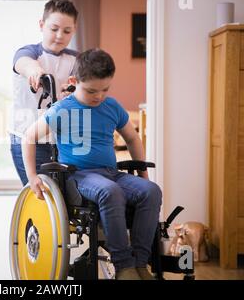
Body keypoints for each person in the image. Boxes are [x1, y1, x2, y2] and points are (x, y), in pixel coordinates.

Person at [21, 48, 162, 280]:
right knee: (110, 191)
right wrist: (32, 177)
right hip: (79, 177)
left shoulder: (112, 106)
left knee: (151, 191)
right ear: (74, 82)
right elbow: (28, 137)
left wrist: (142, 175)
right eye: (91, 90)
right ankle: (124, 266)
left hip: (111, 173)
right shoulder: (62, 110)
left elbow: (133, 138)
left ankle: (140, 264)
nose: (99, 96)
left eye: (105, 89)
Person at [10, 0, 78, 185]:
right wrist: (35, 71)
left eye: (66, 31)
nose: (59, 36)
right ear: (42, 25)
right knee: (39, 192)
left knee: (63, 198)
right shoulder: (28, 52)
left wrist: (73, 91)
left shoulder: (76, 60)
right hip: (27, 137)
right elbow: (24, 63)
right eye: (54, 29)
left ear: (74, 30)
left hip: (62, 140)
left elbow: (82, 87)